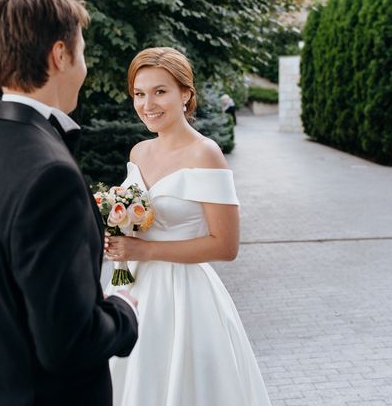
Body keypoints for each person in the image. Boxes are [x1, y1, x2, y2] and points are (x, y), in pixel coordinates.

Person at [0, 0, 138, 406]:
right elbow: (67, 345)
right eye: (82, 52)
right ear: (59, 55)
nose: (84, 67)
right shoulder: (51, 174)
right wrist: (124, 312)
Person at [104, 47, 271, 406]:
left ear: (185, 94)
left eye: (160, 91)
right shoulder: (138, 152)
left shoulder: (205, 153)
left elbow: (226, 246)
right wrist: (117, 231)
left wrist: (145, 249)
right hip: (133, 289)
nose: (148, 103)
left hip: (184, 298)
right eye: (139, 93)